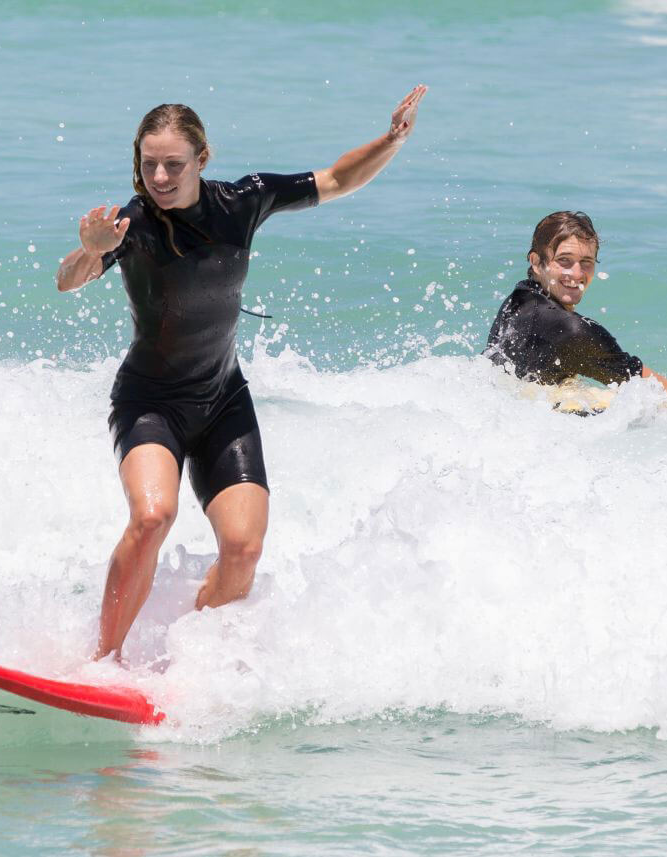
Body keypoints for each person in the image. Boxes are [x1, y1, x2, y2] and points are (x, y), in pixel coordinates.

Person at [58, 86, 428, 660]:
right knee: (153, 516)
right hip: (150, 402)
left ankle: (185, 659)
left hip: (223, 402)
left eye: (173, 164)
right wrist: (89, 250)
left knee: (243, 549)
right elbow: (69, 281)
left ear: (202, 160)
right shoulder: (130, 224)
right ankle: (102, 662)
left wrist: (392, 140)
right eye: (148, 162)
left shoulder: (243, 200)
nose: (158, 175)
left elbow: (336, 180)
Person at [486, 211, 667, 419]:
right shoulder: (575, 332)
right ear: (537, 262)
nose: (577, 274)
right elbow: (664, 392)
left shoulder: (518, 300)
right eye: (565, 261)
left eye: (586, 262)